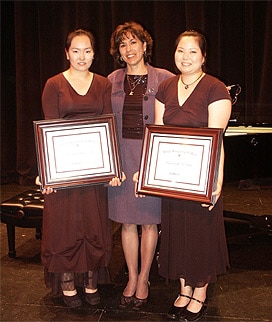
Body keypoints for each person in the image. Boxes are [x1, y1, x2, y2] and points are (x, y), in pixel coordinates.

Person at [154, 30, 231, 321]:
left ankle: (200, 291)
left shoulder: (215, 89)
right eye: (180, 51)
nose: (185, 57)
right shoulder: (165, 87)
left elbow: (217, 141)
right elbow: (159, 136)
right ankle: (184, 288)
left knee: (201, 234)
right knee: (177, 234)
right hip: (173, 176)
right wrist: (154, 173)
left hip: (201, 178)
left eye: (192, 52)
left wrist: (217, 183)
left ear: (203, 56)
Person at [39, 29, 114, 308]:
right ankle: (68, 283)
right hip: (64, 169)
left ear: (94, 53)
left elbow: (107, 124)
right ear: (67, 53)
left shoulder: (104, 84)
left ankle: (91, 282)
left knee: (94, 226)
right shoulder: (54, 84)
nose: (82, 57)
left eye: (87, 51)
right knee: (65, 228)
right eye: (76, 51)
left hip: (94, 168)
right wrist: (47, 172)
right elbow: (49, 129)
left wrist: (112, 168)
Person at [107, 21, 174, 310]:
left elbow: (171, 125)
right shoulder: (110, 80)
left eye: (134, 42)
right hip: (122, 160)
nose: (129, 49)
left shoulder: (166, 79)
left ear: (145, 45)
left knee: (149, 222)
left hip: (151, 159)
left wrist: (153, 164)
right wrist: (112, 164)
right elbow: (105, 124)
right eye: (123, 44)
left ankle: (145, 278)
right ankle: (131, 278)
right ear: (118, 52)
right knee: (126, 222)